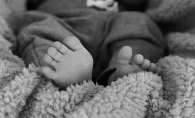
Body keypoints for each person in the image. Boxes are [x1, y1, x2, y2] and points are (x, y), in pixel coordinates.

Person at [10, 0, 166, 89]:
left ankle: (118, 76)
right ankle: (63, 78)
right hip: (59, 22)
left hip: (112, 24)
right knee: (38, 29)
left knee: (139, 23)